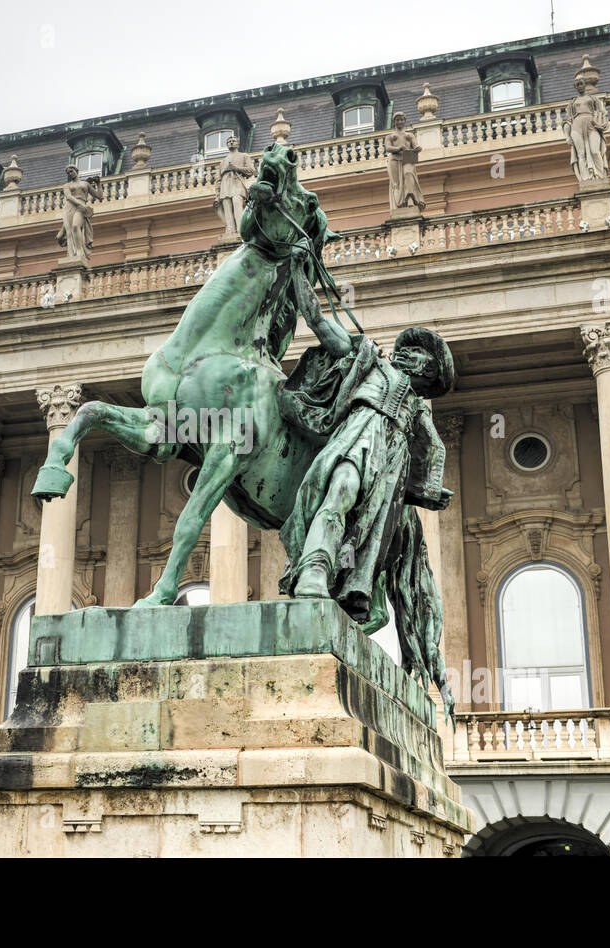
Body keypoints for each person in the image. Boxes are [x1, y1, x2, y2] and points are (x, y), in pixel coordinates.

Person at [278, 326, 455, 700]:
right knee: (339, 487)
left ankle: (339, 585)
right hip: (359, 433)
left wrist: (430, 494)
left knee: (364, 534)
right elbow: (329, 333)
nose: (407, 354)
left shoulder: (418, 409)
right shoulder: (372, 364)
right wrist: (304, 287)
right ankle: (312, 569)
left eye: (419, 355)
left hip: (390, 465)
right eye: (407, 351)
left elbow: (430, 453)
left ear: (428, 372)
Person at [563, 76, 610, 182]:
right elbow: (568, 121)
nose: (579, 86)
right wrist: (567, 136)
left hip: (591, 124)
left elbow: (602, 114)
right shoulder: (572, 103)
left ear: (585, 85)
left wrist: (602, 124)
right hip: (577, 126)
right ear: (575, 87)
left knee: (595, 151)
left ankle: (599, 175)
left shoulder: (593, 99)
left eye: (581, 83)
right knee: (581, 154)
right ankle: (586, 178)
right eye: (577, 84)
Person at [56, 165, 103, 263]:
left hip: (81, 208)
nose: (70, 174)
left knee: (75, 226)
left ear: (76, 171)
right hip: (70, 207)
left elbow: (99, 196)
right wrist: (80, 204)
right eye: (68, 173)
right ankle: (72, 253)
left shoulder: (85, 184)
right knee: (69, 232)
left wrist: (98, 184)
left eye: (71, 171)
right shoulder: (67, 185)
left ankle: (79, 251)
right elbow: (68, 197)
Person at [214, 135, 257, 237]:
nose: (231, 142)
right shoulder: (223, 162)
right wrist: (217, 195)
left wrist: (236, 168)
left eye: (233, 141)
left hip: (237, 184)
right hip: (225, 186)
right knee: (227, 208)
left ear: (238, 144)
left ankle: (240, 229)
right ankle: (230, 231)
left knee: (237, 203)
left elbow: (251, 170)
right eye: (229, 141)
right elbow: (218, 180)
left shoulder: (244, 156)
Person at [384, 112, 425, 212]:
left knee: (408, 173)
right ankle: (399, 204)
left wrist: (417, 148)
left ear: (404, 121)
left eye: (401, 119)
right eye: (398, 120)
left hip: (407, 159)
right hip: (394, 159)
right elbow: (388, 147)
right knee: (396, 183)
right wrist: (398, 148)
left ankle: (410, 198)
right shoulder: (390, 136)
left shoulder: (409, 135)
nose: (400, 121)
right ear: (394, 122)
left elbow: (415, 145)